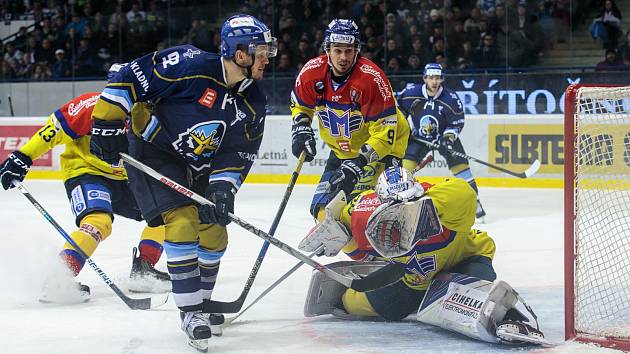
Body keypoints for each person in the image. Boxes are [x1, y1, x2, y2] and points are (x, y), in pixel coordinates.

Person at [87, 14, 276, 351]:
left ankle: (199, 303)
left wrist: (223, 187)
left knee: (216, 229)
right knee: (183, 221)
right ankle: (190, 312)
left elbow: (239, 151)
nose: (268, 57)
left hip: (199, 166)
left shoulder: (253, 99)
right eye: (261, 51)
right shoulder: (189, 64)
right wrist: (106, 121)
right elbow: (132, 76)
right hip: (154, 151)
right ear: (240, 53)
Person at [298, 166, 547, 346]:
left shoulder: (450, 199)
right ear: (380, 204)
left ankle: (508, 318)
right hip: (412, 280)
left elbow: (465, 194)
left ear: (420, 193)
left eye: (411, 204)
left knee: (479, 294)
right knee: (349, 303)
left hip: (463, 260)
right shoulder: (364, 211)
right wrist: (327, 222)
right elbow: (341, 220)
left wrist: (419, 213)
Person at [0, 92, 169, 303]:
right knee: (98, 222)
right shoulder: (95, 103)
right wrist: (24, 156)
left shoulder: (155, 110)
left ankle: (144, 269)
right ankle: (59, 279)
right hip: (86, 171)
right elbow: (56, 128)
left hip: (128, 178)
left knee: (166, 213)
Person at [289, 18, 410, 221]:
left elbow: (384, 135)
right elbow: (301, 104)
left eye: (349, 50)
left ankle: (379, 249)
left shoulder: (372, 80)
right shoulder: (311, 73)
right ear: (327, 49)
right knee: (322, 211)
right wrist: (301, 126)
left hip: (383, 151)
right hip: (342, 152)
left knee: (375, 213)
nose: (343, 57)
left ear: (357, 50)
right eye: (337, 50)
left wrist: (359, 163)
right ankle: (359, 252)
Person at [397, 63, 486, 220]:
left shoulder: (451, 98)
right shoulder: (411, 93)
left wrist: (448, 139)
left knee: (463, 171)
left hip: (443, 139)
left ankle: (475, 203)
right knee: (404, 172)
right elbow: (399, 110)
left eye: (437, 78)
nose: (434, 82)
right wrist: (406, 128)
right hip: (419, 137)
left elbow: (456, 122)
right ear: (424, 78)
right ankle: (401, 205)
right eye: (431, 78)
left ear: (442, 79)